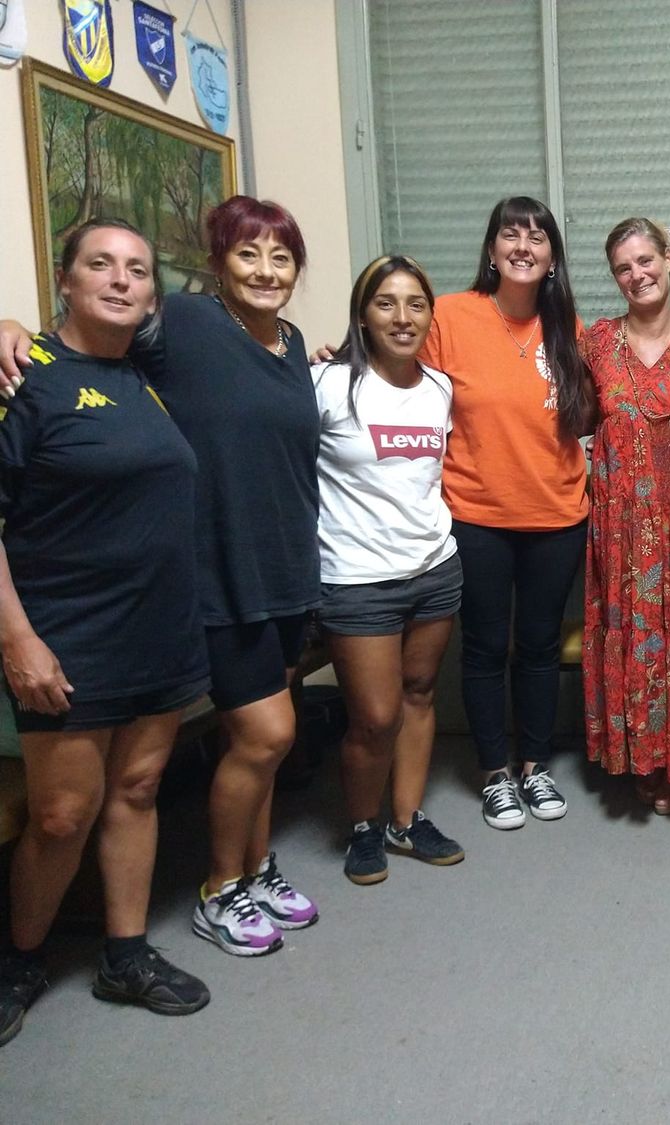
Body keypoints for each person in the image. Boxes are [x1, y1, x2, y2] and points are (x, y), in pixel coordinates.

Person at [1, 196, 322, 957]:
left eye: (280, 256)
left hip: (244, 583)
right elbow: (64, 352)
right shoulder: (163, 329)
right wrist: (10, 329)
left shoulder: (281, 345)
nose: (266, 270)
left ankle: (222, 886)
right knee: (259, 736)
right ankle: (214, 888)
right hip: (165, 591)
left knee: (222, 760)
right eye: (248, 254)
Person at [0, 221, 211, 1046]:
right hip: (65, 630)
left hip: (159, 626)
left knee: (138, 789)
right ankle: (20, 958)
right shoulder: (25, 377)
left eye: (136, 270)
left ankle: (125, 953)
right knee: (61, 813)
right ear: (65, 280)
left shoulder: (144, 373)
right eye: (101, 265)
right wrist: (17, 639)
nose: (120, 281)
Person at [419, 197, 594, 831]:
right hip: (476, 515)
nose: (524, 245)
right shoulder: (450, 315)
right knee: (487, 646)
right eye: (510, 234)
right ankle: (496, 771)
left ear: (552, 257)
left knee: (542, 646)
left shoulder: (566, 324)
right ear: (492, 249)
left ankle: (536, 765)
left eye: (538, 237)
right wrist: (343, 362)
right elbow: (404, 389)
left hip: (556, 514)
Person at [312, 256, 464, 884]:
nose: (402, 318)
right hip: (355, 575)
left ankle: (406, 818)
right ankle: (362, 827)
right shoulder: (323, 383)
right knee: (374, 716)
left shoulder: (440, 388)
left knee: (420, 694)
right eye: (386, 303)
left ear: (430, 315)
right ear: (364, 313)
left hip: (433, 565)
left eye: (416, 305)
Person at [581, 218, 670, 814]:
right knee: (634, 629)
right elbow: (565, 421)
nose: (637, 274)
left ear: (669, 260)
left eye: (646, 260)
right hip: (620, 520)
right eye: (623, 267)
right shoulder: (594, 343)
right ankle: (639, 755)